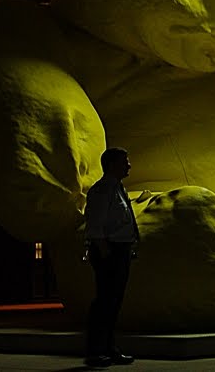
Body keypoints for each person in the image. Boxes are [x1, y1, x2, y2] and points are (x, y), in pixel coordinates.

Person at [83, 147, 140, 368]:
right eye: (125, 161)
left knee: (114, 302)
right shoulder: (102, 191)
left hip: (120, 250)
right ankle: (95, 351)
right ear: (112, 165)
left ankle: (108, 348)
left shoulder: (118, 189)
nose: (129, 165)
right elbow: (95, 225)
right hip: (109, 251)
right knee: (104, 301)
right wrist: (105, 251)